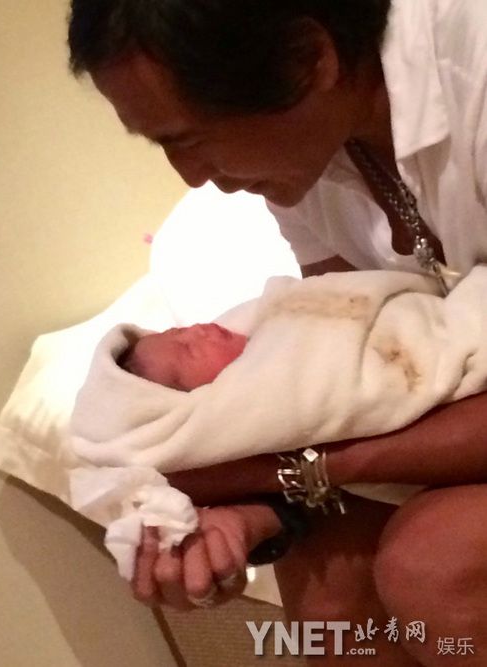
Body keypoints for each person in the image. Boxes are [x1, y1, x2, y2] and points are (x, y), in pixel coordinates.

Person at [67, 1, 487, 665]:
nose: (192, 177)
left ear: (308, 60)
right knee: (328, 600)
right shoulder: (308, 159)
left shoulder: (474, 66)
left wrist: (289, 471)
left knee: (434, 563)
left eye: (188, 137)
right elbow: (344, 360)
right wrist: (255, 511)